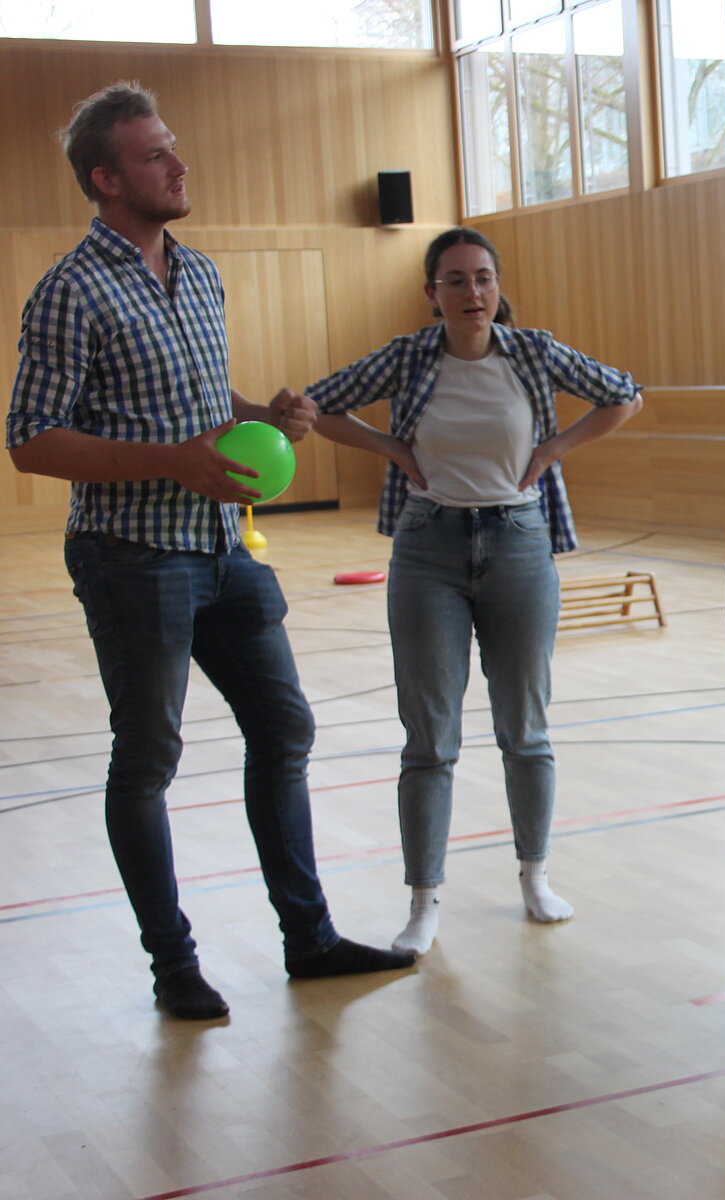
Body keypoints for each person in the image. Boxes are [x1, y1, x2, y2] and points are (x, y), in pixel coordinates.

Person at [7, 82, 416, 1020]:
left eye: (174, 147)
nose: (179, 165)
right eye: (155, 155)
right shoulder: (71, 290)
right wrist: (174, 461)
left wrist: (262, 415)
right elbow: (31, 440)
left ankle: (309, 940)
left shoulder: (197, 273)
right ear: (107, 180)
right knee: (148, 759)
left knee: (284, 730)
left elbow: (197, 399)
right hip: (131, 556)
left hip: (225, 550)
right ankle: (174, 966)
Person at [300, 227, 643, 956]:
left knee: (526, 729)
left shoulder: (534, 352)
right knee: (430, 738)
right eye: (454, 280)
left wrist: (553, 449)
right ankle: (423, 899)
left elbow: (624, 395)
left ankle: (535, 877)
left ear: (497, 286)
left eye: (482, 278)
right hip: (429, 548)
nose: (471, 292)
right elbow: (317, 405)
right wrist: (390, 447)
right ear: (432, 294)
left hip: (519, 543)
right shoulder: (408, 356)